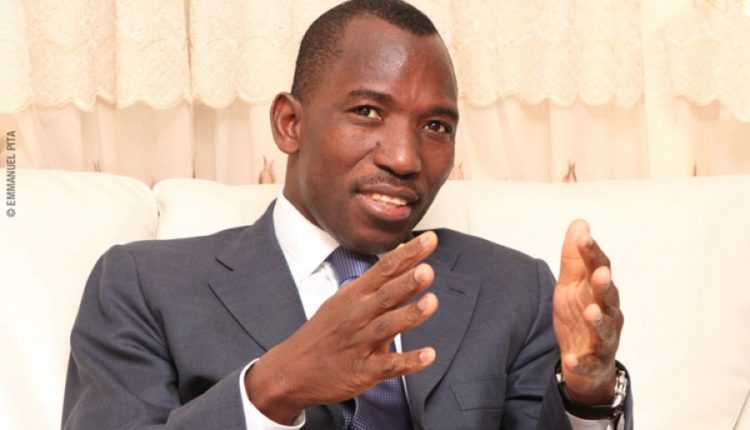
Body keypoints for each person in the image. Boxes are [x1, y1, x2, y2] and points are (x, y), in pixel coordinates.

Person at [62, 1, 631, 429]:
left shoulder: (514, 289)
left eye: (435, 126)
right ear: (290, 124)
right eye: (367, 111)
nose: (405, 158)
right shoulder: (143, 285)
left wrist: (587, 393)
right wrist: (275, 385)